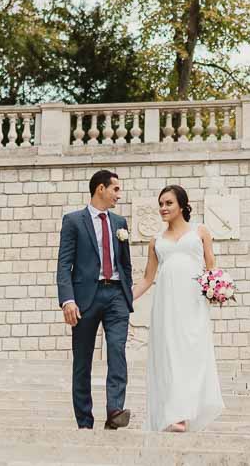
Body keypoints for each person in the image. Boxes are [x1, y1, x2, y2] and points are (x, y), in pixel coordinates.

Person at [133, 184, 225, 432]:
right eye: (161, 204)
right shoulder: (156, 241)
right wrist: (124, 299)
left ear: (182, 205)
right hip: (166, 305)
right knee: (170, 354)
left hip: (193, 303)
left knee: (191, 354)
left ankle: (189, 408)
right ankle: (176, 415)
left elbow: (211, 267)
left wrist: (218, 289)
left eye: (168, 203)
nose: (163, 208)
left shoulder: (201, 231)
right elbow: (147, 278)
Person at [56, 169, 134, 430]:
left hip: (116, 297)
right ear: (100, 188)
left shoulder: (120, 222)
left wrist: (126, 293)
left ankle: (114, 411)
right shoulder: (73, 221)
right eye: (116, 190)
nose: (118, 196)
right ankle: (85, 422)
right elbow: (64, 264)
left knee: (117, 350)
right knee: (82, 362)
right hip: (84, 298)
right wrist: (67, 300)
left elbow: (126, 263)